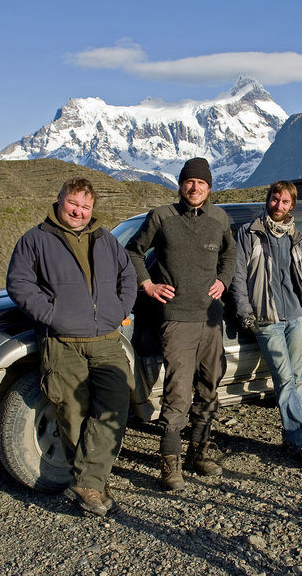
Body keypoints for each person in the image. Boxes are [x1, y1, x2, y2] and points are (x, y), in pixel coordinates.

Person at [6, 178, 136, 517]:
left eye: (85, 207)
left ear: (93, 209)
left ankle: (87, 479)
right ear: (60, 201)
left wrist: (118, 310)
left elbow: (128, 278)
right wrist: (52, 315)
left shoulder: (106, 240)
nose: (78, 212)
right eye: (73, 204)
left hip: (106, 339)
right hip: (62, 342)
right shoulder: (35, 239)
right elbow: (19, 284)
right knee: (71, 415)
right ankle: (92, 485)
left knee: (115, 404)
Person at [127, 157, 236, 491]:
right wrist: (147, 285)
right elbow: (133, 251)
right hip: (176, 320)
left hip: (211, 319)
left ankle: (199, 451)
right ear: (180, 185)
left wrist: (224, 280)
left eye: (201, 183)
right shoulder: (162, 216)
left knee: (209, 387)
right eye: (189, 181)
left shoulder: (219, 218)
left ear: (209, 187)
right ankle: (169, 463)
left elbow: (231, 255)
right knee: (177, 392)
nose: (194, 187)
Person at [230, 180, 302, 468]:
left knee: (297, 378)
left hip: (294, 317)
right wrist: (244, 311)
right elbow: (238, 277)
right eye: (274, 199)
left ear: (291, 205)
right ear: (267, 199)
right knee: (285, 380)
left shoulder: (297, 237)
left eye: (285, 202)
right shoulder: (249, 234)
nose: (278, 206)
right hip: (266, 319)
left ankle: (294, 435)